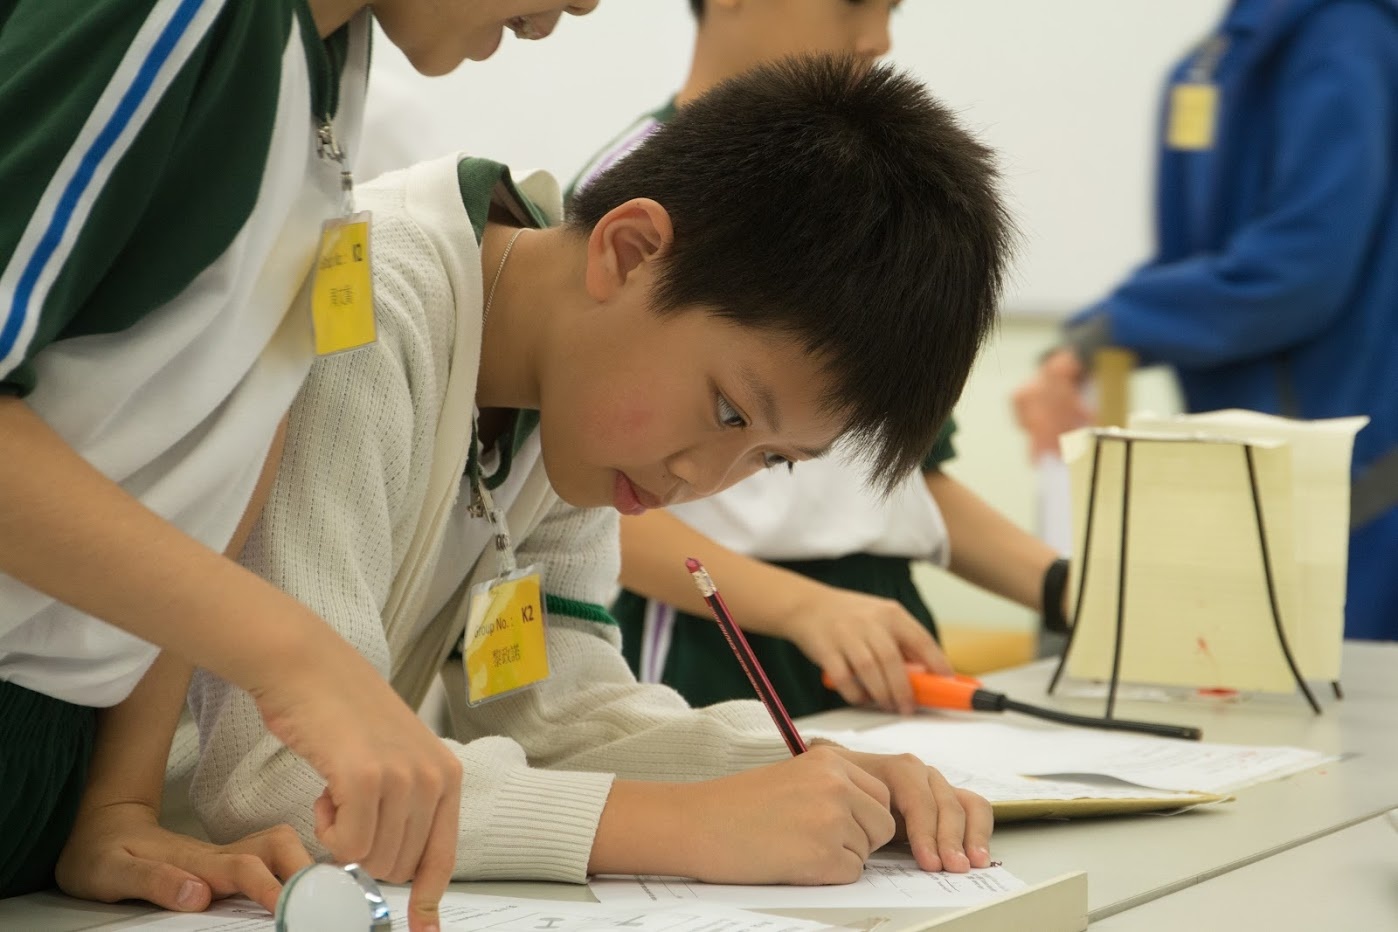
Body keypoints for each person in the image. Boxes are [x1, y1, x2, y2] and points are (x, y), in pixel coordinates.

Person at [190, 55, 1010, 886]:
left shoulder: (574, 397)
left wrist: (813, 773)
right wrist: (688, 827)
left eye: (771, 459)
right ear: (628, 252)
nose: (704, 478)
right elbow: (281, 779)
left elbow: (556, 714)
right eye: (729, 411)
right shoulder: (362, 308)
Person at [0, 1, 595, 926]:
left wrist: (119, 800)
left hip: (55, 751)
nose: (584, 8)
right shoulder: (187, 20)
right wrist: (296, 656)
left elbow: (219, 439)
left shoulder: (328, 61)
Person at [569, 0, 1070, 719]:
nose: (878, 39)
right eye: (853, 3)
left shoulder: (883, 203)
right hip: (717, 635)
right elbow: (578, 494)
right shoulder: (629, 195)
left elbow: (908, 480)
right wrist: (803, 608)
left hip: (879, 631)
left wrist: (1067, 590)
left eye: (892, 9)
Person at [1013, 0, 1398, 640]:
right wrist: (1085, 345)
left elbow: (1299, 271)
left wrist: (1105, 332)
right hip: (1256, 478)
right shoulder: (1212, 61)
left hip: (1349, 478)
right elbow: (1195, 262)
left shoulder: (1342, 43)